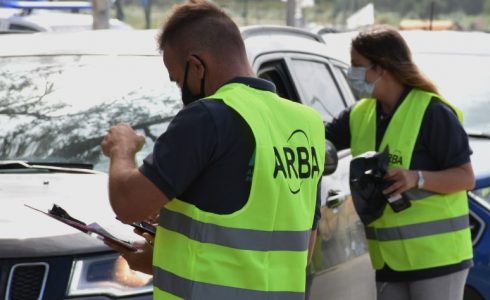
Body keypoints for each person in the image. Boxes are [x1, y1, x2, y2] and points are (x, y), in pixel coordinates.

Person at [99, 0, 325, 298]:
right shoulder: (307, 124)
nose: (181, 89)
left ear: (197, 65)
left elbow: (128, 204)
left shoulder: (208, 116)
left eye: (178, 78)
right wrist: (161, 260)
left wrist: (122, 149)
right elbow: (299, 251)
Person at [325, 26, 475, 300]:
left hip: (436, 259)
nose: (351, 73)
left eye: (357, 65)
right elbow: (319, 136)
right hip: (389, 260)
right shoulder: (360, 114)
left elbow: (466, 178)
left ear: (382, 67)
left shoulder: (432, 111)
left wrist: (416, 178)